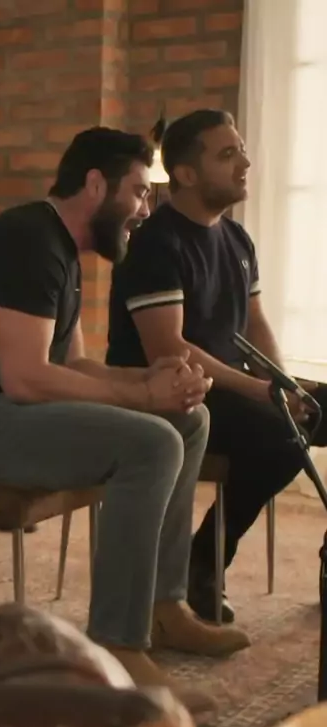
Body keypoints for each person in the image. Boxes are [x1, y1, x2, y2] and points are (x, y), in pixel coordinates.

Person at [0, 126, 250, 713]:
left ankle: (164, 606)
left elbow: (71, 365)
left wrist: (148, 381)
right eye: (139, 192)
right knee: (152, 442)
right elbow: (25, 377)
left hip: (9, 413)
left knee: (188, 422)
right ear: (96, 185)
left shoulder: (60, 249)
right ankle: (117, 644)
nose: (144, 209)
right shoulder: (29, 241)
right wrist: (142, 399)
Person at [106, 108, 327, 624]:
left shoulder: (237, 238)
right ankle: (203, 564)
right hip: (169, 392)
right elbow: (170, 349)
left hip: (230, 388)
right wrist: (261, 392)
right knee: (281, 436)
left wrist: (282, 383)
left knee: (314, 409)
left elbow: (255, 323)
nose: (245, 164)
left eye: (242, 151)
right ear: (185, 173)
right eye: (228, 155)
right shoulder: (157, 243)